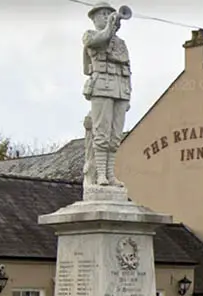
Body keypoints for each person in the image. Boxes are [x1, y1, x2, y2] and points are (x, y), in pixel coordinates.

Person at [83, 2, 131, 187]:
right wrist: (110, 27)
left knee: (115, 136)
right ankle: (100, 174)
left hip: (120, 88)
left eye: (108, 14)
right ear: (94, 18)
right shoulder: (91, 35)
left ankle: (111, 174)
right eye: (102, 14)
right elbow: (99, 41)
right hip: (101, 86)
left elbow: (126, 67)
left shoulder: (120, 43)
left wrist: (128, 94)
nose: (106, 16)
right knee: (101, 133)